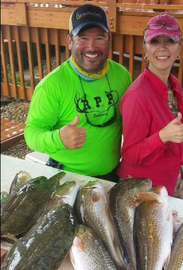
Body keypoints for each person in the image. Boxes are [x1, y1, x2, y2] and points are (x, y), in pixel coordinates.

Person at [24, 4, 131, 182]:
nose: (91, 47)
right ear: (69, 41)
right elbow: (31, 133)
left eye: (99, 38)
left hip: (111, 174)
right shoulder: (52, 85)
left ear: (109, 40)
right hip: (66, 176)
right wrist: (57, 138)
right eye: (82, 38)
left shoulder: (122, 75)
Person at [116, 14, 183, 197]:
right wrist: (162, 136)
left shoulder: (174, 83)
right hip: (144, 191)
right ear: (145, 48)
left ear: (179, 47)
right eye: (155, 41)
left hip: (171, 180)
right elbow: (130, 153)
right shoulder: (136, 95)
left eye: (170, 40)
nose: (162, 47)